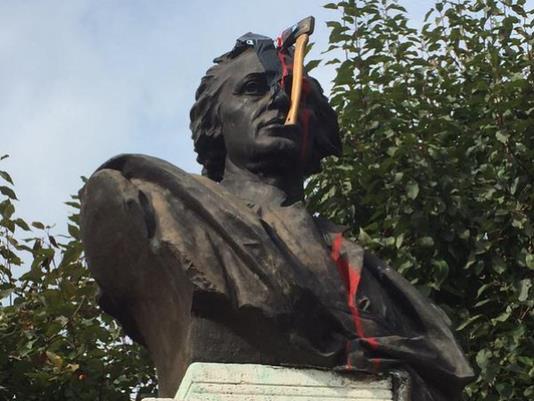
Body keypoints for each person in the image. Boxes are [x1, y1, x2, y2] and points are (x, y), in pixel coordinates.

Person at [80, 33, 473, 400]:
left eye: (295, 93)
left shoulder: (379, 282)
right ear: (214, 122)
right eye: (253, 88)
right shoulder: (155, 204)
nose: (281, 101)